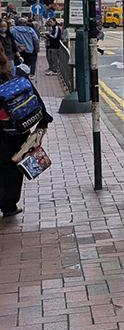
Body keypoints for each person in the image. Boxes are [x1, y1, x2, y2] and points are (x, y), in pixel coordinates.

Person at [0, 46, 53, 218]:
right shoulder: (14, 74)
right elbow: (35, 98)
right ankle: (8, 205)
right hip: (18, 132)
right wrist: (43, 121)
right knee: (14, 169)